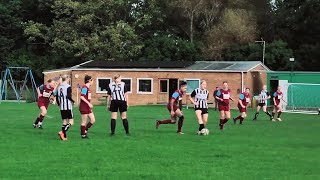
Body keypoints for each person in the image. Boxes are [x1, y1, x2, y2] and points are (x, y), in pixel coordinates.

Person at [56, 75, 75, 141]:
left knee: (64, 121)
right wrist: (73, 101)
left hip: (62, 107)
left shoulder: (59, 87)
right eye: (69, 78)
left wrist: (59, 104)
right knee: (71, 122)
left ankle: (64, 136)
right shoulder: (68, 86)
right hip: (68, 106)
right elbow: (68, 96)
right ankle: (62, 132)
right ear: (66, 78)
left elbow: (56, 97)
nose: (69, 79)